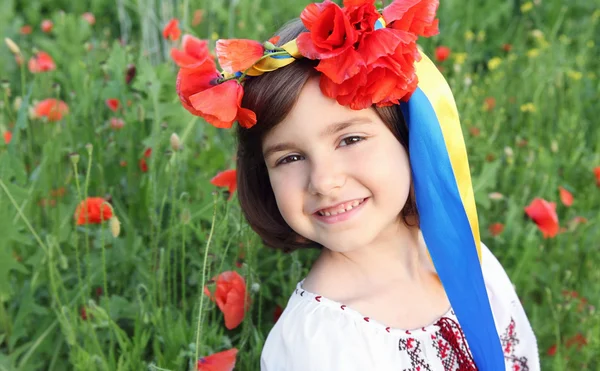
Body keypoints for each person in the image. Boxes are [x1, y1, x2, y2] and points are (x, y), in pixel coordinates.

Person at [173, 0, 540, 369]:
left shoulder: (469, 256)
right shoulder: (317, 345)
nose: (325, 181)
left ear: (409, 136)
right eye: (289, 158)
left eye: (350, 140)